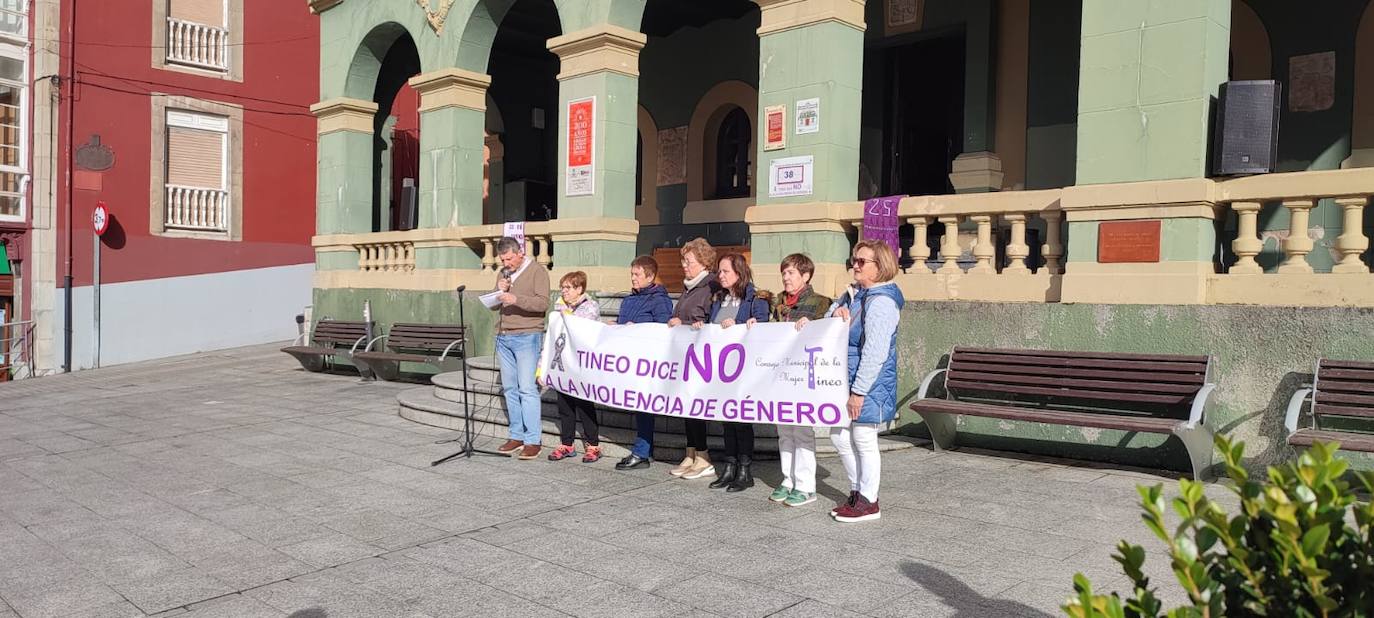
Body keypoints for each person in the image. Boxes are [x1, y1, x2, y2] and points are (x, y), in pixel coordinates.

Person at [798, 240, 904, 523]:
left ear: (879, 267)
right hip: (847, 378)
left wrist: (858, 392)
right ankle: (857, 492)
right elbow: (833, 310)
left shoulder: (881, 301)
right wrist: (836, 312)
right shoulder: (856, 294)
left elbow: (875, 351)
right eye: (853, 260)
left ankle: (869, 500)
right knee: (839, 435)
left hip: (869, 382)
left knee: (863, 437)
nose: (854, 265)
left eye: (861, 262)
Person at [759, 254, 831, 507]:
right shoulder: (776, 303)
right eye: (784, 273)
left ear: (806, 276)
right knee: (784, 431)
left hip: (803, 376)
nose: (786, 278)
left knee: (801, 431)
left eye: (791, 273)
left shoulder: (820, 303)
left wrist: (812, 324)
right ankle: (788, 479)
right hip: (780, 375)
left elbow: (828, 332)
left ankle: (806, 485)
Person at [693, 253, 770, 492]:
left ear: (739, 273)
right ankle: (729, 466)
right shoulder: (719, 299)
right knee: (727, 420)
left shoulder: (756, 299)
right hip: (721, 369)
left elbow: (764, 330)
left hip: (743, 370)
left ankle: (745, 470)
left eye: (726, 271)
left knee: (741, 422)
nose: (721, 275)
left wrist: (741, 327)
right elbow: (711, 325)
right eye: (720, 271)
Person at [490, 236, 551, 460]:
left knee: (526, 388)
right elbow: (495, 304)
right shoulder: (503, 273)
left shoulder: (537, 271)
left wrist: (516, 298)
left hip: (527, 335)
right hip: (503, 335)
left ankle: (533, 440)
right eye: (502, 259)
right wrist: (498, 292)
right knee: (509, 388)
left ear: (520, 253)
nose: (506, 263)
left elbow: (542, 303)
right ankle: (516, 435)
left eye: (509, 259)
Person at [666, 238, 720, 480]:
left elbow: (709, 321)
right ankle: (691, 452)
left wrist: (685, 324)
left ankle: (703, 456)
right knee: (686, 405)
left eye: (689, 261)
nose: (684, 265)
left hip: (701, 358)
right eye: (683, 260)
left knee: (696, 407)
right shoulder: (689, 287)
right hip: (685, 356)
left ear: (703, 262)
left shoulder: (711, 287)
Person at [613, 256, 673, 470]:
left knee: (643, 406)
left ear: (650, 276)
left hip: (647, 362)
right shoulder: (629, 300)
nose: (633, 278)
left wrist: (637, 328)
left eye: (637, 274)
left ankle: (642, 452)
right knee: (639, 406)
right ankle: (644, 449)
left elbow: (664, 329)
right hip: (629, 361)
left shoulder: (659, 300)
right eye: (632, 274)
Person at [537, 271, 603, 463]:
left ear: (579, 289)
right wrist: (542, 368)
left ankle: (593, 445)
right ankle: (567, 443)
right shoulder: (557, 311)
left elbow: (582, 328)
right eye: (562, 287)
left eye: (568, 288)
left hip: (582, 367)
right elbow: (550, 340)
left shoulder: (590, 307)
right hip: (563, 367)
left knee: (584, 406)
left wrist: (566, 314)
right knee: (564, 406)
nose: (564, 292)